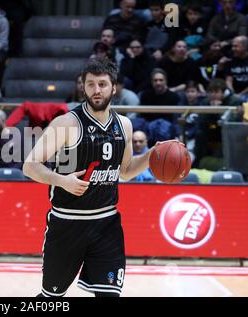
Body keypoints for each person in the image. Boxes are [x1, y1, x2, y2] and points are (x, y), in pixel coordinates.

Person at [23, 58, 176, 297]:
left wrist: (150, 156)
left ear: (113, 88)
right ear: (82, 87)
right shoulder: (66, 124)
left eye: (102, 84)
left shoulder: (123, 125)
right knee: (51, 298)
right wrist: (62, 180)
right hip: (67, 223)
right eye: (91, 84)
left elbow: (124, 172)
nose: (97, 90)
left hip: (106, 223)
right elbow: (29, 166)